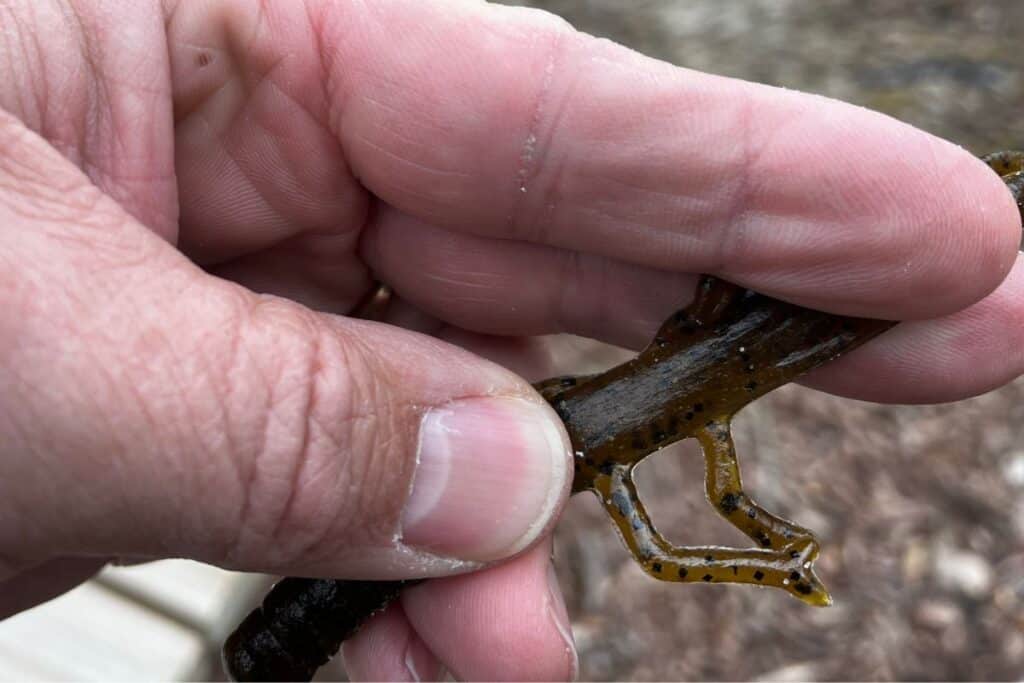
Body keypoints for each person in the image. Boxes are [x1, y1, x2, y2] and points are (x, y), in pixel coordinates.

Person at [0, 1, 1020, 680]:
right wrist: (774, 559)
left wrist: (774, 550)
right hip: (362, 562)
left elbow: (692, 528)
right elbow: (674, 545)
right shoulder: (699, 364)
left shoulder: (706, 343)